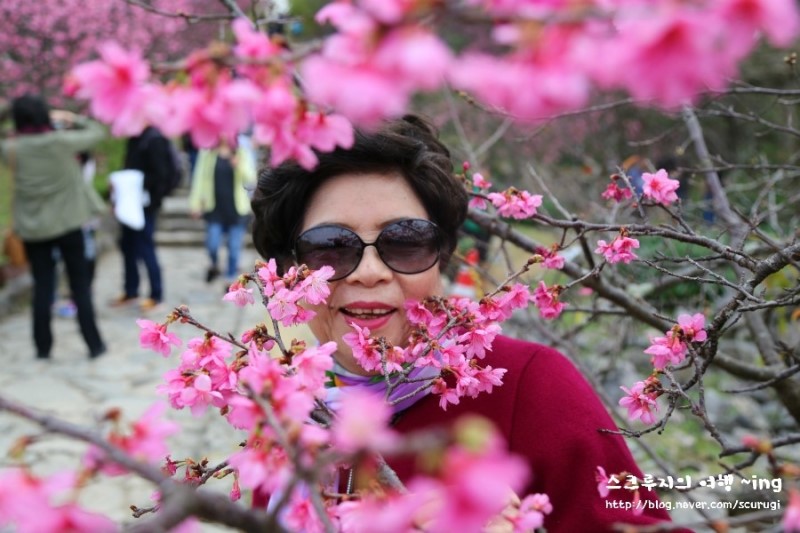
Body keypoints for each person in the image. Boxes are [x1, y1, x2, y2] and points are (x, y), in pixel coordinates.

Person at [250, 115, 677, 531]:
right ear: (289, 272)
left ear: (442, 259)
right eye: (331, 246)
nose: (369, 272)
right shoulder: (285, 412)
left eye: (405, 242)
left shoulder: (529, 384)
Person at [0, 95, 106, 359]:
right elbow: (97, 132)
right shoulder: (60, 142)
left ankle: (42, 347)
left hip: (34, 230)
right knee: (80, 286)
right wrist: (71, 118)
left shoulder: (11, 148)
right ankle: (94, 344)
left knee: (43, 286)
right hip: (69, 225)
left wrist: (8, 111)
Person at [113, 126, 169, 312]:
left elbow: (161, 175)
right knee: (127, 246)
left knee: (146, 248)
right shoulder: (134, 136)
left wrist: (134, 181)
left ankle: (156, 294)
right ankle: (131, 290)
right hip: (129, 203)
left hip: (145, 205)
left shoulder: (153, 139)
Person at [189, 138, 257, 286]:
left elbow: (251, 178)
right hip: (214, 208)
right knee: (212, 244)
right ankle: (214, 264)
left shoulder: (241, 152)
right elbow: (199, 179)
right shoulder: (207, 153)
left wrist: (239, 165)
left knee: (234, 248)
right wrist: (195, 203)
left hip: (236, 209)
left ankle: (230, 277)